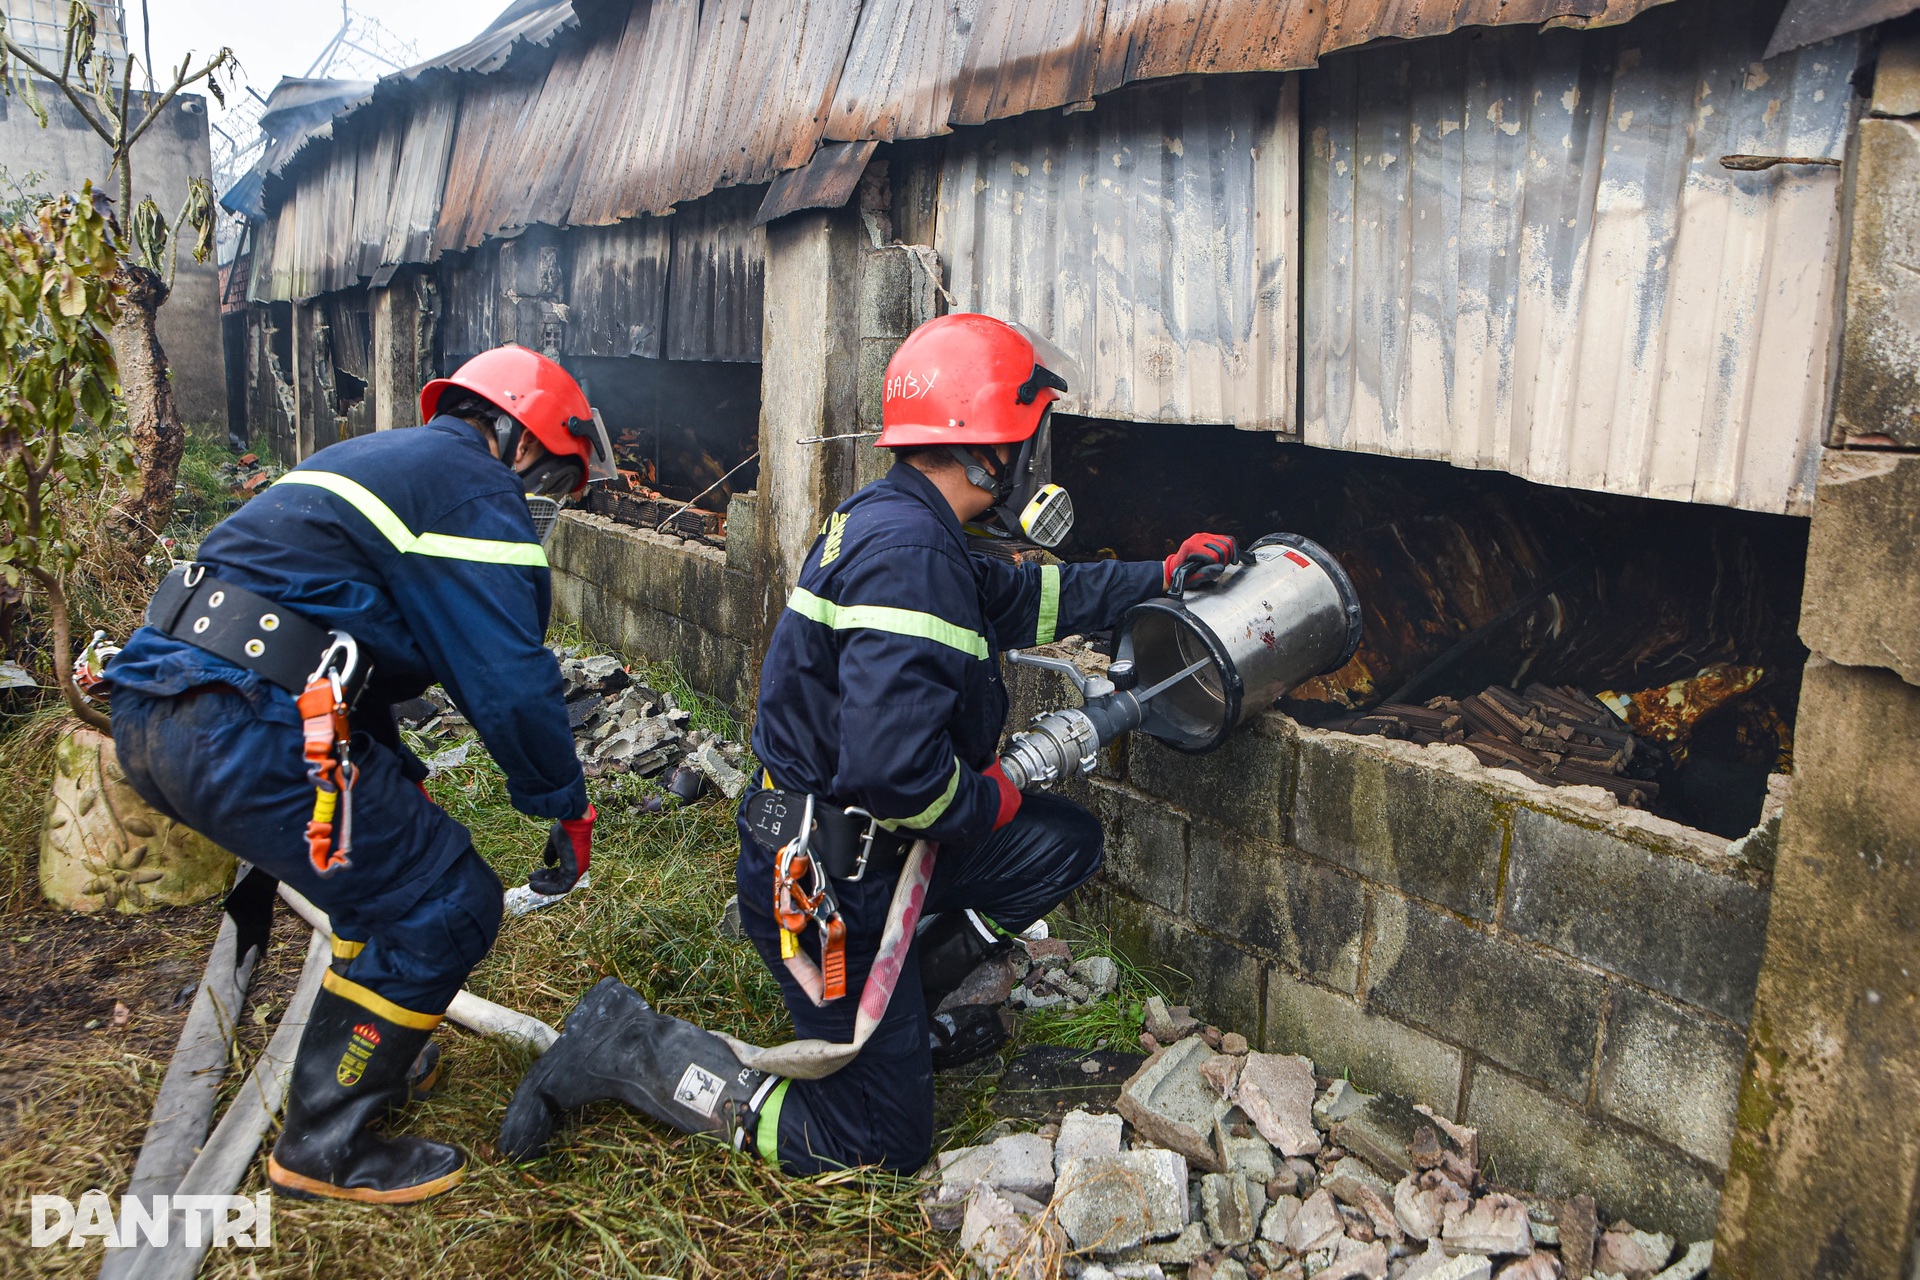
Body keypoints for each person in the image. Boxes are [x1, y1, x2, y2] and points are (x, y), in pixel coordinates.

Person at [499, 314, 1234, 1175]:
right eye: (1030, 434)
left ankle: (898, 1011)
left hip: (875, 850)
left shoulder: (907, 525)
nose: (1036, 454)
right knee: (880, 1142)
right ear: (989, 450)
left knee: (1062, 842)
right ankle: (629, 1044)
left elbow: (1029, 599)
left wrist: (1161, 575)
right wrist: (987, 797)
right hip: (822, 886)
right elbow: (897, 777)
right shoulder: (910, 556)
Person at [106, 345, 605, 1203]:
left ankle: (372, 1050)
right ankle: (324, 1144)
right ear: (521, 440)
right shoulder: (475, 488)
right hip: (239, 718)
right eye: (556, 479)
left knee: (375, 884)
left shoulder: (385, 461)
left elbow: (335, 650)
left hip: (163, 708)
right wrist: (564, 806)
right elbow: (509, 678)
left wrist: (395, 771)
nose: (545, 502)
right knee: (447, 902)